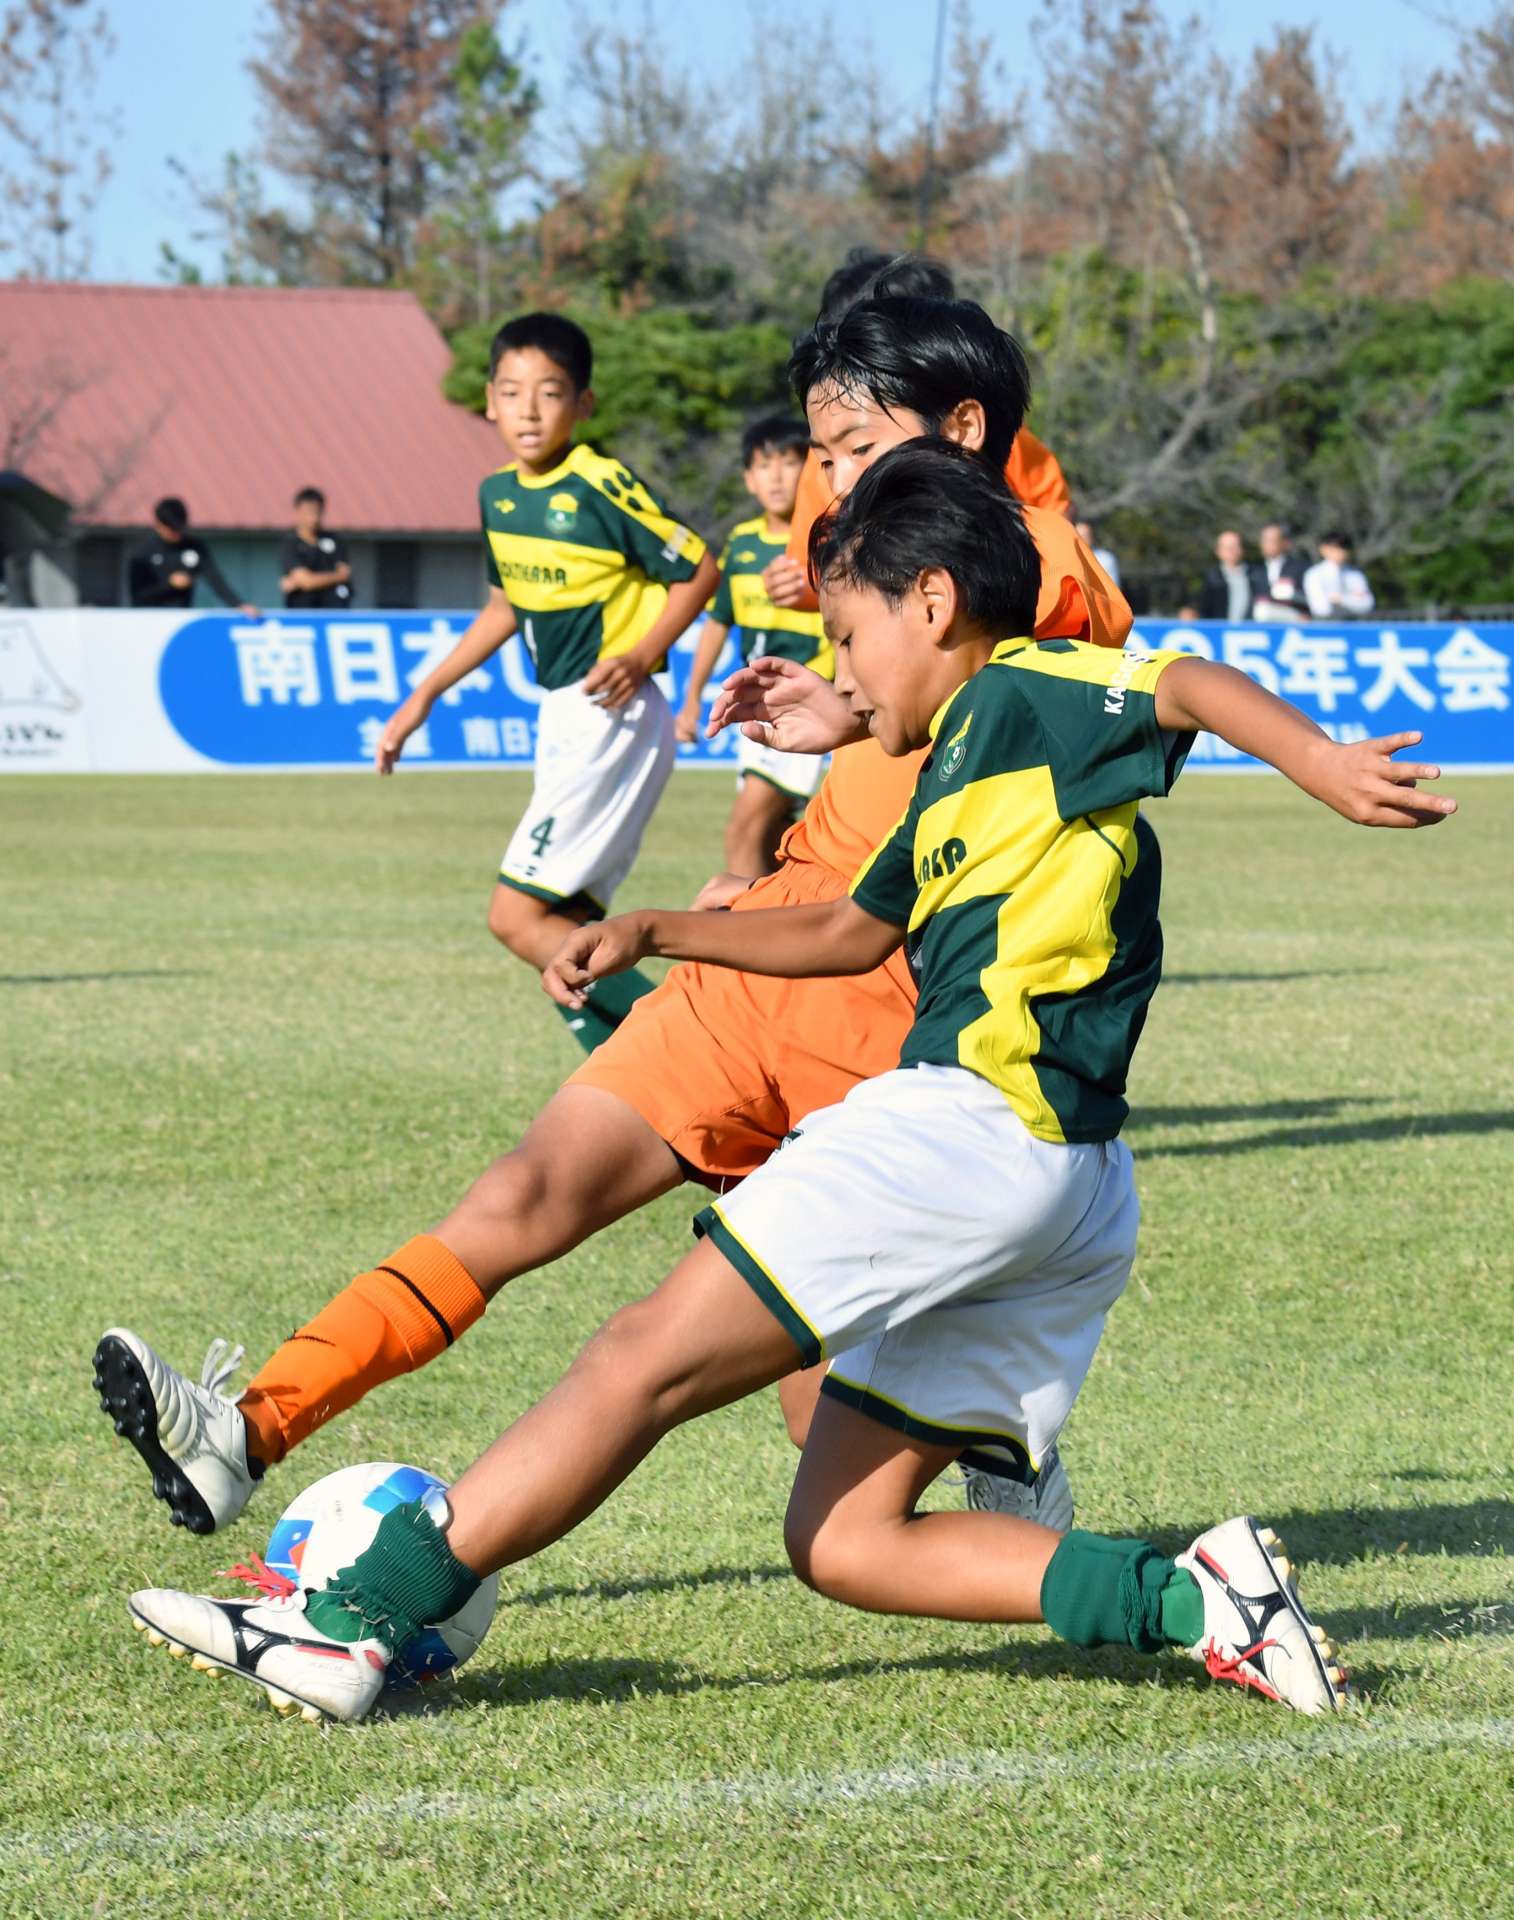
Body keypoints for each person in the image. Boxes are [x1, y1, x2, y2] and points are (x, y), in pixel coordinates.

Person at [124, 441, 1453, 1726]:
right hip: (1072, 1187)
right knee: (842, 1539)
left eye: (851, 634)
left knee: (638, 1359)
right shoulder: (958, 763)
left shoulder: (1031, 689)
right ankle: (1201, 1600)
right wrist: (656, 929)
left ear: (931, 602)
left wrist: (1320, 763)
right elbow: (846, 932)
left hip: (967, 1128)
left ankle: (350, 1620)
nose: (845, 667)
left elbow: (1186, 683)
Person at [90, 294, 1130, 1547]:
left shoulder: (1050, 573)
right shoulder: (867, 536)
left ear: (961, 428)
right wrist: (828, 722)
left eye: (855, 446)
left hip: (877, 1024)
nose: (832, 478)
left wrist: (852, 747)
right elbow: (902, 709)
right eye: (820, 452)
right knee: (518, 1194)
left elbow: (1018, 748)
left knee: (818, 1424)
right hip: (750, 970)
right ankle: (245, 1431)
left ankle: (999, 1457)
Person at [370, 311, 717, 1054]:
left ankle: (693, 1052)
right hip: (565, 718)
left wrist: (642, 654)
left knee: (515, 918)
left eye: (550, 392)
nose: (528, 410)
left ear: (583, 404)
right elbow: (504, 607)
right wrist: (423, 696)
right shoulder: (497, 495)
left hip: (609, 714)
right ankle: (636, 1078)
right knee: (562, 928)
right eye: (511, 392)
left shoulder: (598, 483)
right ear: (489, 402)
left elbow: (698, 568)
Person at [760, 254, 1073, 635]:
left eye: (861, 449)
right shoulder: (833, 461)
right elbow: (823, 577)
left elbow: (1055, 522)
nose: (840, 486)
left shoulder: (1046, 552)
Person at [676, 414, 834, 876]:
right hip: (757, 707)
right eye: (764, 466)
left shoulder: (828, 540)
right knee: (771, 838)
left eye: (789, 463)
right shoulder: (741, 544)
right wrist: (691, 699)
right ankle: (780, 914)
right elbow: (717, 623)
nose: (777, 477)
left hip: (806, 704)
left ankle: (738, 919)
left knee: (744, 829)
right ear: (748, 478)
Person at [127, 497, 256, 615]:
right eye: (171, 529)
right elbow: (138, 595)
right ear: (159, 524)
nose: (176, 533)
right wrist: (169, 584)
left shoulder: (194, 548)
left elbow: (215, 580)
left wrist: (238, 604)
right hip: (150, 618)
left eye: (179, 528)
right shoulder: (142, 553)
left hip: (183, 617)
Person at [279, 488, 353, 609]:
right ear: (297, 511)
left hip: (334, 610)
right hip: (303, 613)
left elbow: (345, 574)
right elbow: (306, 581)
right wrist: (336, 576)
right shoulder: (290, 543)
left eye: (318, 512)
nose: (314, 518)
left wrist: (301, 581)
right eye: (309, 512)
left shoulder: (335, 540)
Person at [1304, 533, 1375, 620]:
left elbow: (1367, 604)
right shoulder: (1314, 574)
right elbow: (1321, 609)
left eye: (1344, 548)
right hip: (1325, 624)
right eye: (1335, 547)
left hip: (1354, 623)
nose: (1340, 552)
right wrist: (1353, 600)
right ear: (1323, 549)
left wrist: (1341, 599)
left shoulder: (1356, 575)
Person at [1195, 530, 1258, 622]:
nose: (1231, 551)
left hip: (1249, 629)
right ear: (1218, 551)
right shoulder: (1210, 577)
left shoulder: (1256, 575)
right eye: (1227, 547)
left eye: (1235, 546)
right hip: (1218, 629)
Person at [1252, 522, 1308, 621]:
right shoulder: (1254, 570)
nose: (1267, 544)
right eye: (1264, 540)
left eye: (1272, 540)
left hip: (1294, 623)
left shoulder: (1300, 568)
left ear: (1285, 543)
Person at [1074, 518, 1121, 588]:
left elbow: (1114, 588)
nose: (1082, 539)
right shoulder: (1068, 557)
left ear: (1093, 536)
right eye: (1079, 536)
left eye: (1086, 536)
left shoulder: (1106, 559)